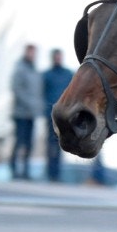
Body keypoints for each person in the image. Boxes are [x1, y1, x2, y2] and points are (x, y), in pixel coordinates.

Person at [9, 43, 42, 180]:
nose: (33, 55)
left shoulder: (35, 71)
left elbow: (38, 92)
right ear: (26, 52)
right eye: (31, 52)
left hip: (32, 114)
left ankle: (26, 171)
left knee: (29, 144)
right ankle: (14, 169)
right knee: (19, 142)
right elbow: (17, 89)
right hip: (21, 113)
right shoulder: (20, 69)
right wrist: (30, 103)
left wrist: (37, 106)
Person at [42, 48, 75, 182]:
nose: (58, 59)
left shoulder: (68, 74)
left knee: (62, 143)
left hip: (65, 115)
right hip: (49, 115)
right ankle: (51, 173)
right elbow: (42, 93)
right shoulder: (46, 75)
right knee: (50, 145)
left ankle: (57, 174)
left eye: (59, 56)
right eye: (56, 57)